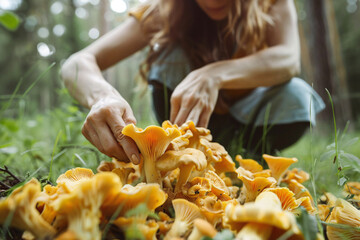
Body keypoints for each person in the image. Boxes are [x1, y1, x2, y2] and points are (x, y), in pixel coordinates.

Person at [61, 0, 325, 164]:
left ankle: (249, 160)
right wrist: (102, 97)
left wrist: (215, 74)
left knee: (298, 94)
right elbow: (77, 63)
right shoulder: (165, 8)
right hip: (185, 124)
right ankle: (180, 155)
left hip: (248, 123)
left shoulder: (272, 2)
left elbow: (288, 59)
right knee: (169, 51)